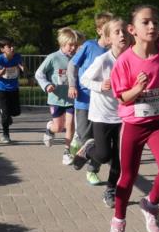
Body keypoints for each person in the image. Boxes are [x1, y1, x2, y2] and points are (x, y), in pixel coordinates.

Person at [106, 4, 159, 232]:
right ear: (132, 29)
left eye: (155, 22)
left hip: (158, 122)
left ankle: (150, 204)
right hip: (134, 124)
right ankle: (118, 222)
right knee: (127, 176)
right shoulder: (125, 61)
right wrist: (138, 88)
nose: (152, 26)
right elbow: (121, 97)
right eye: (146, 22)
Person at [76, 17, 129, 207]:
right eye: (117, 32)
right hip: (102, 114)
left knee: (119, 157)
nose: (122, 34)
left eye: (124, 30)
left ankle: (110, 190)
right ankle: (89, 149)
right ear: (108, 38)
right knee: (104, 155)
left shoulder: (131, 58)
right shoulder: (103, 60)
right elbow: (84, 80)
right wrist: (99, 85)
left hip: (123, 116)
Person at [67, 13, 113, 157]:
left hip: (102, 101)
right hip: (84, 98)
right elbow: (72, 65)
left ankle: (92, 170)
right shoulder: (89, 46)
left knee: (99, 139)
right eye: (108, 29)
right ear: (99, 30)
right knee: (85, 136)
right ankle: (77, 142)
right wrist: (72, 85)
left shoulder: (115, 51)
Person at [36, 27, 80, 165]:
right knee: (59, 127)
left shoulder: (77, 58)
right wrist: (47, 85)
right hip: (56, 98)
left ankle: (67, 152)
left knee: (70, 124)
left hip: (72, 98)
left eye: (75, 45)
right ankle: (50, 128)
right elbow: (39, 74)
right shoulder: (53, 57)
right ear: (62, 43)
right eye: (70, 45)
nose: (73, 48)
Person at [0, 37, 25, 144]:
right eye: (9, 47)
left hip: (14, 88)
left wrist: (24, 69)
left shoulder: (18, 57)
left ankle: (8, 115)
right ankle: (5, 134)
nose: (12, 48)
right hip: (1, 89)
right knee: (5, 113)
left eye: (13, 46)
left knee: (16, 112)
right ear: (2, 49)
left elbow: (23, 68)